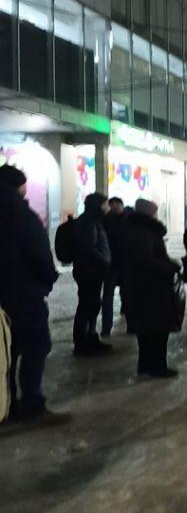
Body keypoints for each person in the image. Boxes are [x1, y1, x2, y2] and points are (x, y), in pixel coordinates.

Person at [0, 164, 69, 427]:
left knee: (5, 351)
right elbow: (38, 251)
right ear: (19, 185)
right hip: (23, 292)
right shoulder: (19, 212)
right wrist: (48, 278)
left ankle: (6, 404)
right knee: (35, 346)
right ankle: (32, 404)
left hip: (6, 294)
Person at [122, 198, 181, 379]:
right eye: (154, 212)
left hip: (142, 287)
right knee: (157, 330)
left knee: (146, 331)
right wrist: (169, 267)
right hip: (152, 288)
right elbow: (147, 260)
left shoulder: (136, 230)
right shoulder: (144, 232)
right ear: (149, 214)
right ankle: (157, 367)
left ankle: (146, 366)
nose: (157, 215)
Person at [71, 192, 111, 356]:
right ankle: (82, 342)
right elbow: (90, 248)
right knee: (87, 306)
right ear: (97, 205)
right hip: (89, 270)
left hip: (93, 270)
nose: (107, 207)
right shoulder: (88, 221)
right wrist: (103, 260)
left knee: (92, 305)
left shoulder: (94, 220)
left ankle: (90, 337)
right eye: (105, 204)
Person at [101, 196, 127, 338]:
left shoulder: (129, 219)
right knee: (107, 297)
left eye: (117, 204)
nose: (115, 206)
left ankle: (132, 324)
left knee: (128, 295)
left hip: (126, 264)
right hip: (111, 265)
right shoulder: (106, 220)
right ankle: (106, 328)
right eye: (112, 204)